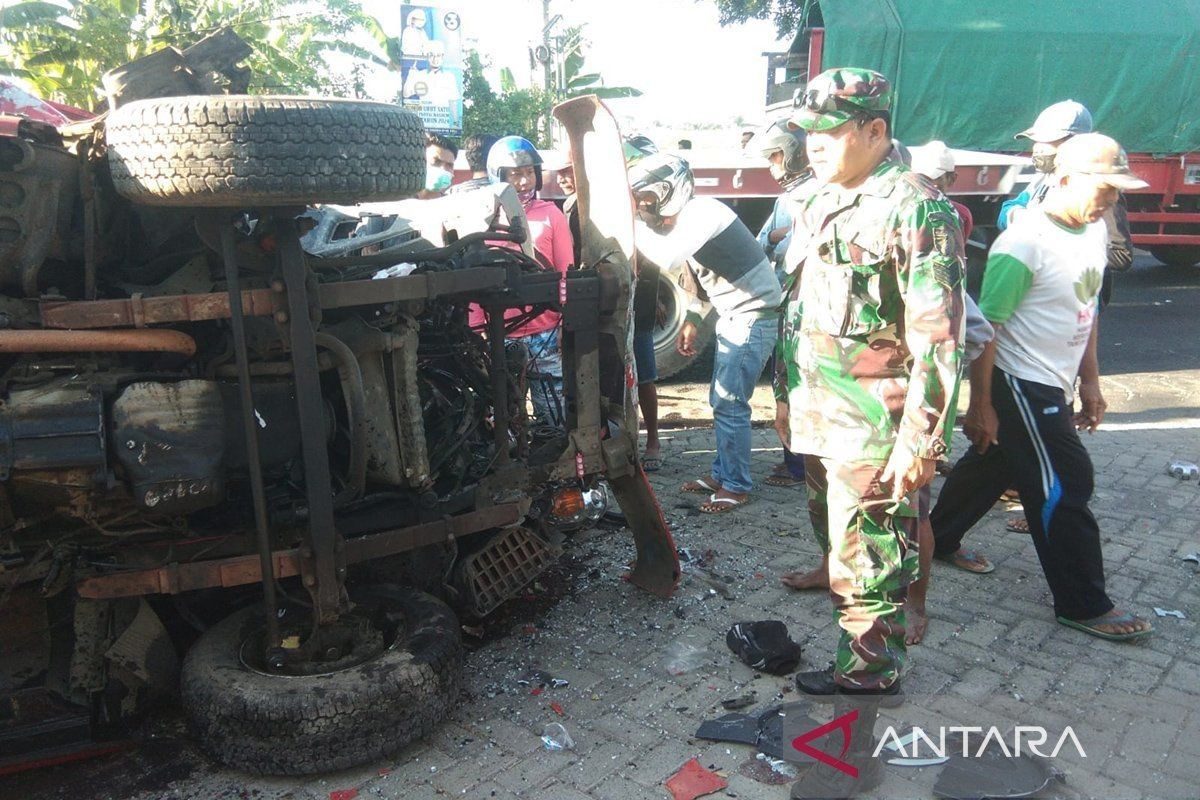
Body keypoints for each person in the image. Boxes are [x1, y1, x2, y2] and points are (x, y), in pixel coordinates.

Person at [776, 67, 965, 798]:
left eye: (830, 133)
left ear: (876, 131)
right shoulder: (822, 200)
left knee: (868, 543)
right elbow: (798, 307)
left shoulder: (917, 208)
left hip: (875, 412)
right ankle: (859, 639)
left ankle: (871, 670)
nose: (815, 147)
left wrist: (924, 435)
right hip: (821, 403)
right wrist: (787, 396)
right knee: (838, 538)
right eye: (809, 135)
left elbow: (938, 337)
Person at [930, 133, 1154, 643]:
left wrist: (1090, 380)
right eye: (1106, 187)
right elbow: (988, 332)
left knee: (997, 463)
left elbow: (1087, 308)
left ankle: (937, 538)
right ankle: (1083, 603)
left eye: (1119, 190)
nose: (1113, 200)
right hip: (1019, 382)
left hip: (1054, 380)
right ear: (1068, 179)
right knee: (1066, 481)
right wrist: (980, 404)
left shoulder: (1093, 231)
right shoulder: (1023, 243)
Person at [631, 154, 781, 514]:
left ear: (669, 190)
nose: (645, 207)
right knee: (721, 400)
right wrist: (695, 319)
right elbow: (707, 280)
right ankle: (723, 473)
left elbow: (666, 256)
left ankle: (736, 486)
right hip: (738, 314)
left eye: (646, 198)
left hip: (752, 316)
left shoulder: (703, 212)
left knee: (730, 403)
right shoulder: (693, 217)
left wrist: (629, 222)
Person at [468, 136, 574, 428]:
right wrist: (477, 329)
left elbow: (566, 272)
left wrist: (567, 323)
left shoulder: (552, 215)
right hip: (501, 333)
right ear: (499, 177)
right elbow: (473, 278)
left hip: (547, 333)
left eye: (529, 173)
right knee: (506, 417)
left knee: (553, 417)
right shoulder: (483, 219)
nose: (524, 181)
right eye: (515, 174)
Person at [750, 120, 812, 490]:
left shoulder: (815, 194)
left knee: (799, 384)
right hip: (787, 306)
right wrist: (778, 237)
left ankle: (802, 466)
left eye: (775, 156)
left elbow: (791, 246)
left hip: (807, 309)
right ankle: (794, 462)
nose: (772, 165)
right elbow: (763, 242)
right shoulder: (787, 198)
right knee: (784, 384)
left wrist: (779, 238)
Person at [403, 41, 459, 108]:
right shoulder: (419, 75)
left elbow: (453, 103)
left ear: (442, 57)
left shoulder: (449, 77)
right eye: (431, 55)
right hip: (424, 116)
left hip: (443, 117)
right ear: (427, 57)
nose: (435, 59)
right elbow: (406, 94)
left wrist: (455, 118)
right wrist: (411, 73)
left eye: (438, 55)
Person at [420, 132, 457, 198]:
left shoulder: (454, 205)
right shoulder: (400, 203)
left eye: (449, 165)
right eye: (436, 162)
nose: (443, 169)